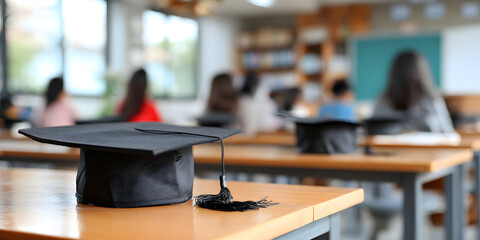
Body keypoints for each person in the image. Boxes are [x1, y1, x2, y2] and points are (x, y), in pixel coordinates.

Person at [372, 50, 454, 133]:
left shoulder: (432, 101)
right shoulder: (384, 101)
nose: (408, 79)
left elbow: (448, 134)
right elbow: (373, 131)